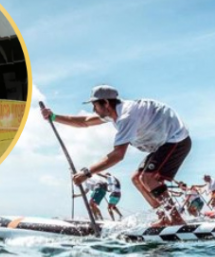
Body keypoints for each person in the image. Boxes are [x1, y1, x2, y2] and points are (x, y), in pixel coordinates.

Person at [41, 85, 191, 226]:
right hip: (162, 142)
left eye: (95, 105)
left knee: (148, 178)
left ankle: (177, 221)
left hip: (177, 139)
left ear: (106, 103)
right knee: (137, 179)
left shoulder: (126, 116)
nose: (93, 109)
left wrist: (87, 173)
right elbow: (85, 122)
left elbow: (118, 155)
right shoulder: (114, 112)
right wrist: (54, 117)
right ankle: (164, 217)